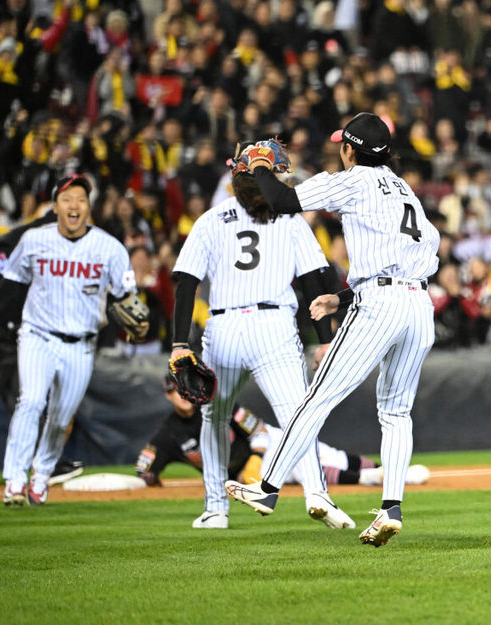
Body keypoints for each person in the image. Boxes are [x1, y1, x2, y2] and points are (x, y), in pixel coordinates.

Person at [224, 113, 440, 548]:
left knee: (315, 398)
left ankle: (267, 488)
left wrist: (262, 165)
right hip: (419, 304)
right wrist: (341, 298)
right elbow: (415, 254)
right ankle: (391, 508)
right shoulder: (405, 190)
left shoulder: (353, 180)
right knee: (397, 412)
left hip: (381, 303)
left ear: (349, 150)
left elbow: (283, 203)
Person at [168, 140, 353, 530]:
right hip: (272, 328)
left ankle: (216, 508)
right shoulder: (290, 219)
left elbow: (185, 282)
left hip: (224, 329)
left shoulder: (211, 219)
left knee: (214, 418)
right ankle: (316, 494)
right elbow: (314, 282)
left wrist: (179, 342)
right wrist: (324, 338)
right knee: (297, 417)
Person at [0, 174, 140, 506]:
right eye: (67, 199)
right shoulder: (34, 240)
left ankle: (41, 475)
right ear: (55, 206)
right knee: (31, 401)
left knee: (61, 417)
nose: (74, 206)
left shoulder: (109, 248)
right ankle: (14, 479)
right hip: (37, 335)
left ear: (88, 207)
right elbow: (12, 281)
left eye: (81, 199)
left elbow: (128, 299)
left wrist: (137, 319)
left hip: (81, 343)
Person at [136, 374, 430, 489]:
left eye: (185, 389)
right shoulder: (168, 435)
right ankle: (372, 478)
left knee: (331, 455)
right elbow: (146, 472)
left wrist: (254, 458)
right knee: (303, 471)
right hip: (244, 475)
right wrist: (151, 483)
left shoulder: (217, 407)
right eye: (176, 391)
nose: (182, 396)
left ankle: (382, 470)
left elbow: (258, 430)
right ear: (167, 395)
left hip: (264, 446)